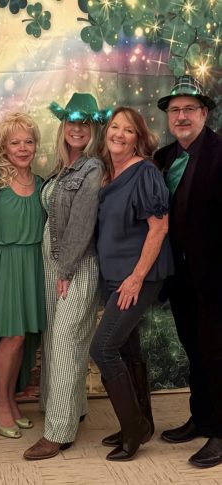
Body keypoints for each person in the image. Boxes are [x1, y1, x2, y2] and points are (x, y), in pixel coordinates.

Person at [23, 93, 107, 460]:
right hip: (52, 262)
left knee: (65, 340)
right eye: (72, 121)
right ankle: (70, 409)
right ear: (63, 126)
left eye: (85, 123)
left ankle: (58, 432)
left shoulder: (93, 168)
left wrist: (67, 268)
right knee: (55, 337)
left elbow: (82, 224)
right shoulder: (62, 169)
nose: (77, 128)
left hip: (76, 263)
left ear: (94, 129)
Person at [89, 106, 174, 461]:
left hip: (139, 276)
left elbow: (159, 227)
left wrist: (136, 278)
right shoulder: (107, 174)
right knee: (127, 349)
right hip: (115, 275)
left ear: (138, 138)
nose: (119, 134)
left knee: (103, 349)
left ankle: (133, 429)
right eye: (114, 127)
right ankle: (141, 422)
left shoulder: (145, 172)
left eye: (127, 130)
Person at [155, 75, 222, 468]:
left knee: (217, 352)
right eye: (175, 110)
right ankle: (201, 418)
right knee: (194, 350)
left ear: (204, 113)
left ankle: (220, 431)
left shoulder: (219, 153)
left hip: (215, 277)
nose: (181, 116)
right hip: (179, 276)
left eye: (189, 109)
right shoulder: (164, 157)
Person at [0, 113, 46, 439]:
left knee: (24, 338)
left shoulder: (43, 184)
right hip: (3, 264)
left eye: (28, 142)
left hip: (32, 263)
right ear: (3, 147)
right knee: (12, 336)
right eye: (15, 142)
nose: (22, 148)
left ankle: (10, 399)